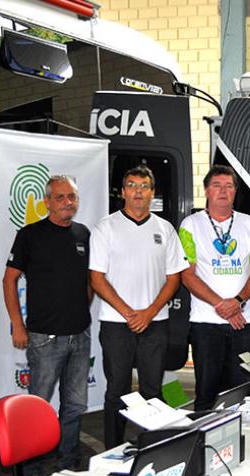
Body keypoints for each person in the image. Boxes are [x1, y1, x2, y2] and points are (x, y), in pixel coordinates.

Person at [89, 166, 188, 449]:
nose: (138, 192)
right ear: (123, 192)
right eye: (131, 185)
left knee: (152, 391)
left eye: (144, 186)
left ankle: (153, 448)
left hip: (155, 323)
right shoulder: (105, 228)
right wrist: (130, 313)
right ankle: (111, 450)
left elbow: (174, 278)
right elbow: (96, 278)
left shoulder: (165, 229)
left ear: (152, 193)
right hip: (116, 323)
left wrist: (148, 313)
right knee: (117, 391)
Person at [2, 176, 91, 476]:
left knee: (75, 405)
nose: (68, 202)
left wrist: (82, 308)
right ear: (47, 202)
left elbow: (90, 281)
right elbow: (9, 280)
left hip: (80, 336)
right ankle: (33, 467)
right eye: (61, 197)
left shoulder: (83, 234)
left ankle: (68, 463)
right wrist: (17, 324)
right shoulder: (30, 235)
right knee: (38, 407)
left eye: (72, 197)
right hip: (44, 338)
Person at [179, 165, 250, 411]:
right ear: (206, 190)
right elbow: (187, 275)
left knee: (244, 391)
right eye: (217, 185)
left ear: (236, 192)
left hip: (244, 322)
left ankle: (243, 442)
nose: (223, 191)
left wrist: (237, 302)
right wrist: (221, 304)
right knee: (206, 391)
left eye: (229, 186)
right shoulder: (190, 225)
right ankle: (203, 443)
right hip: (206, 324)